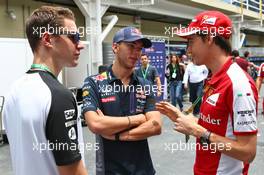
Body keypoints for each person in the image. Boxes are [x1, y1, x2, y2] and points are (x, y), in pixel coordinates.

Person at [156, 11, 258, 175]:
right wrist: (188, 120)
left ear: (209, 38)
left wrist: (197, 131)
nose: (188, 50)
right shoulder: (214, 77)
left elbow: (248, 152)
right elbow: (219, 127)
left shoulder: (238, 84)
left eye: (191, 41)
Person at [3, 6, 87, 175]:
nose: (80, 45)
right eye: (74, 37)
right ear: (48, 39)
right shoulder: (58, 96)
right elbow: (73, 172)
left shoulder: (14, 91)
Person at [82, 26, 161, 174]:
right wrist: (138, 118)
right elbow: (96, 124)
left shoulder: (146, 85)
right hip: (110, 170)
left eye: (139, 49)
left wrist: (116, 135)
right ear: (115, 47)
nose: (136, 53)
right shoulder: (94, 83)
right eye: (131, 46)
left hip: (143, 170)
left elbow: (156, 126)